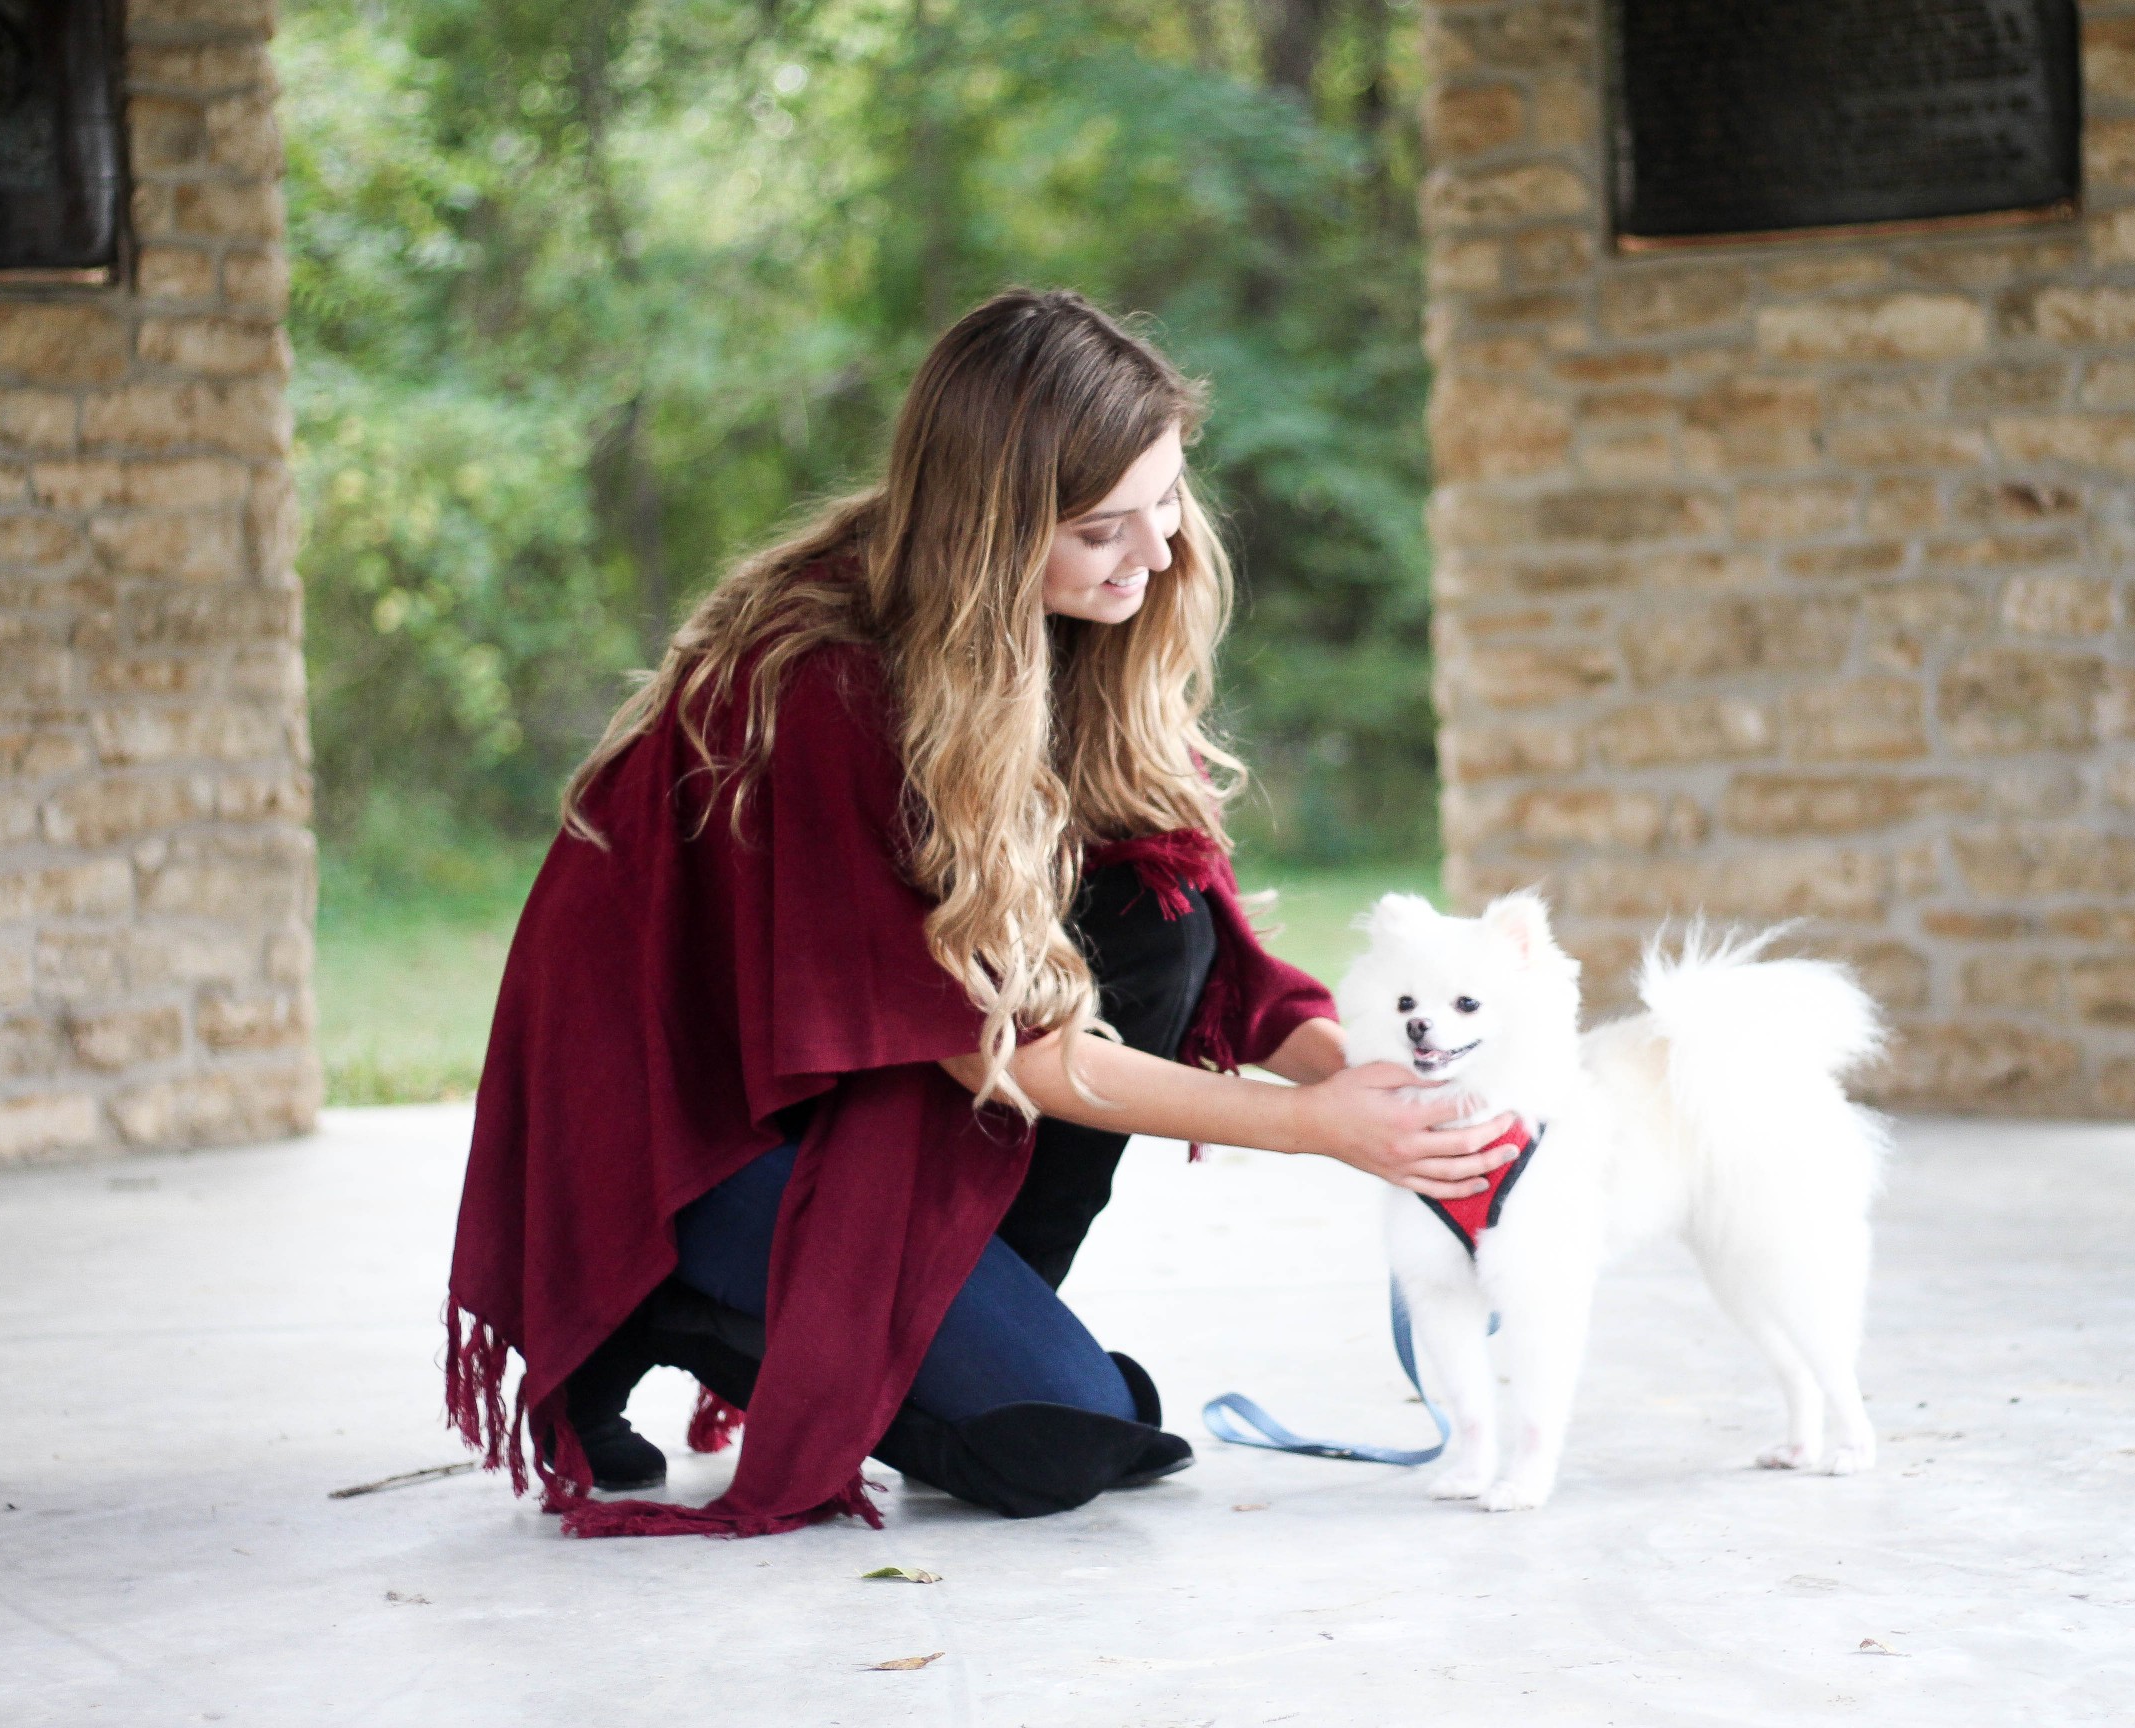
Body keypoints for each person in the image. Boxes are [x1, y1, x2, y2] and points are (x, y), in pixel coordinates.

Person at [443, 288, 1519, 1538]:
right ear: (994, 533)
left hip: (853, 1082)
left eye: (1168, 497)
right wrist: (1314, 1130)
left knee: (1152, 925)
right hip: (690, 1122)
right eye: (1107, 527)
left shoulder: (1085, 617)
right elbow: (986, 1043)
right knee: (1049, 1445)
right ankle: (660, 1293)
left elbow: (1208, 941)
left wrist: (1401, 1095)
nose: (1159, 550)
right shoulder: (821, 682)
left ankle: (957, 1329)